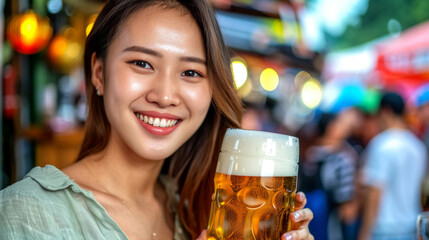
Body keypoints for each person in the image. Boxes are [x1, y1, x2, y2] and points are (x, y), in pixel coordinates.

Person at [0, 0, 314, 239]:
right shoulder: (25, 216)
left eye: (191, 72)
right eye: (142, 63)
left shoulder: (192, 208)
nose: (164, 95)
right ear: (99, 73)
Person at [358, 92, 427, 240]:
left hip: (384, 230)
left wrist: (364, 234)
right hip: (411, 228)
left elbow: (374, 193)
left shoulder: (380, 144)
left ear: (385, 111)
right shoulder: (418, 147)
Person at [300, 111, 360, 240]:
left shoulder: (309, 154)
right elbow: (347, 211)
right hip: (332, 223)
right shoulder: (342, 158)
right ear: (331, 128)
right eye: (339, 123)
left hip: (307, 219)